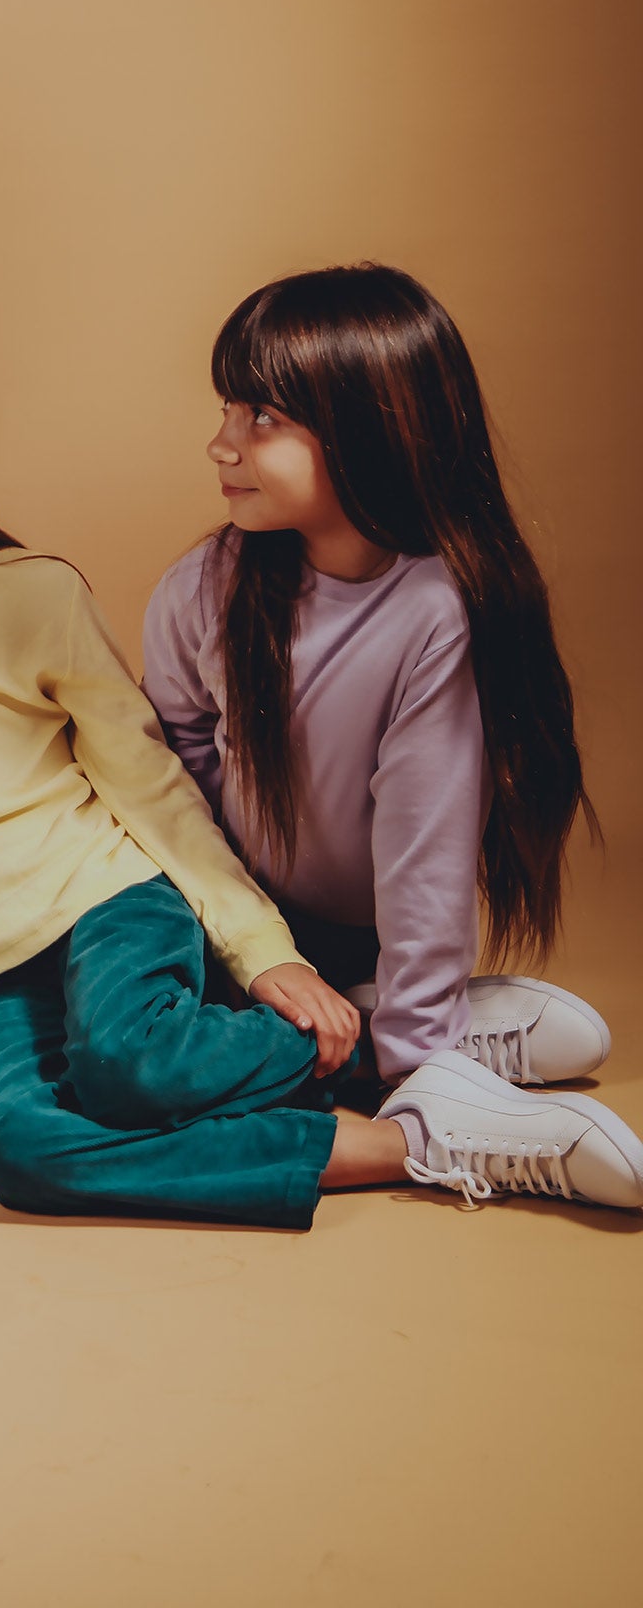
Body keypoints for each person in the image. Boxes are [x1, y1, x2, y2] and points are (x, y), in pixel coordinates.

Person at [0, 306, 643, 1224]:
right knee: (23, 1150)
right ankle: (417, 1133)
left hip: (110, 891)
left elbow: (153, 782)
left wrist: (256, 949)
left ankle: (411, 1038)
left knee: (132, 1065)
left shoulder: (33, 590)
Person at [141, 263, 611, 1093]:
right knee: (141, 1044)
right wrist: (243, 936)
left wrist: (418, 1060)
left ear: (369, 431)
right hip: (239, 923)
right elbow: (177, 768)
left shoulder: (436, 609)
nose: (222, 444)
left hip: (365, 932)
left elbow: (423, 847)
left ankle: (415, 1027)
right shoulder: (203, 585)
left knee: (213, 1064)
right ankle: (388, 1022)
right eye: (227, 409)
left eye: (263, 417)